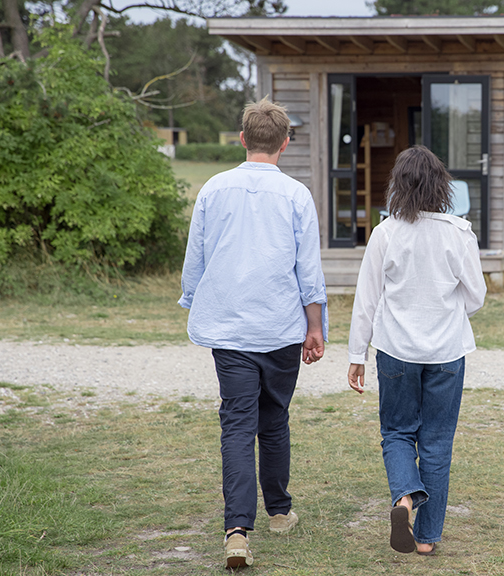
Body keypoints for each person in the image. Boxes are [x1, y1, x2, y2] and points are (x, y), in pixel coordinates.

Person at [179, 97, 328, 569]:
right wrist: (315, 325)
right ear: (285, 142)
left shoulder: (213, 189)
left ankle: (237, 530)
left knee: (237, 423)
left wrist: (192, 300)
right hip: (281, 327)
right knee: (275, 418)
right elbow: (309, 270)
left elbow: (196, 257)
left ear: (243, 139)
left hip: (228, 327)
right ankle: (280, 511)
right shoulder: (296, 194)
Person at [347, 145, 487, 557]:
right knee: (437, 442)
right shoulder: (459, 232)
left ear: (398, 187)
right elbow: (476, 297)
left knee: (396, 432)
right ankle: (426, 538)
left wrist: (357, 354)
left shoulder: (386, 233)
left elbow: (366, 299)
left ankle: (405, 497)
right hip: (447, 352)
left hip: (395, 351)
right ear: (441, 186)